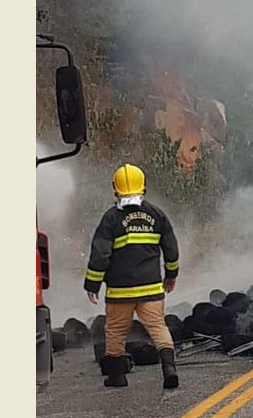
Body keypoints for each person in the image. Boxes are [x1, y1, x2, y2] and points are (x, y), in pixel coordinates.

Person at [83, 163, 181, 389]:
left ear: (115, 188)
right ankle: (169, 369)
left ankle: (117, 377)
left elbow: (100, 254)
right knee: (158, 327)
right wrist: (171, 274)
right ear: (143, 186)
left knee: (116, 331)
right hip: (151, 289)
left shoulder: (111, 218)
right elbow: (171, 249)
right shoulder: (157, 215)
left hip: (120, 291)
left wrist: (92, 283)